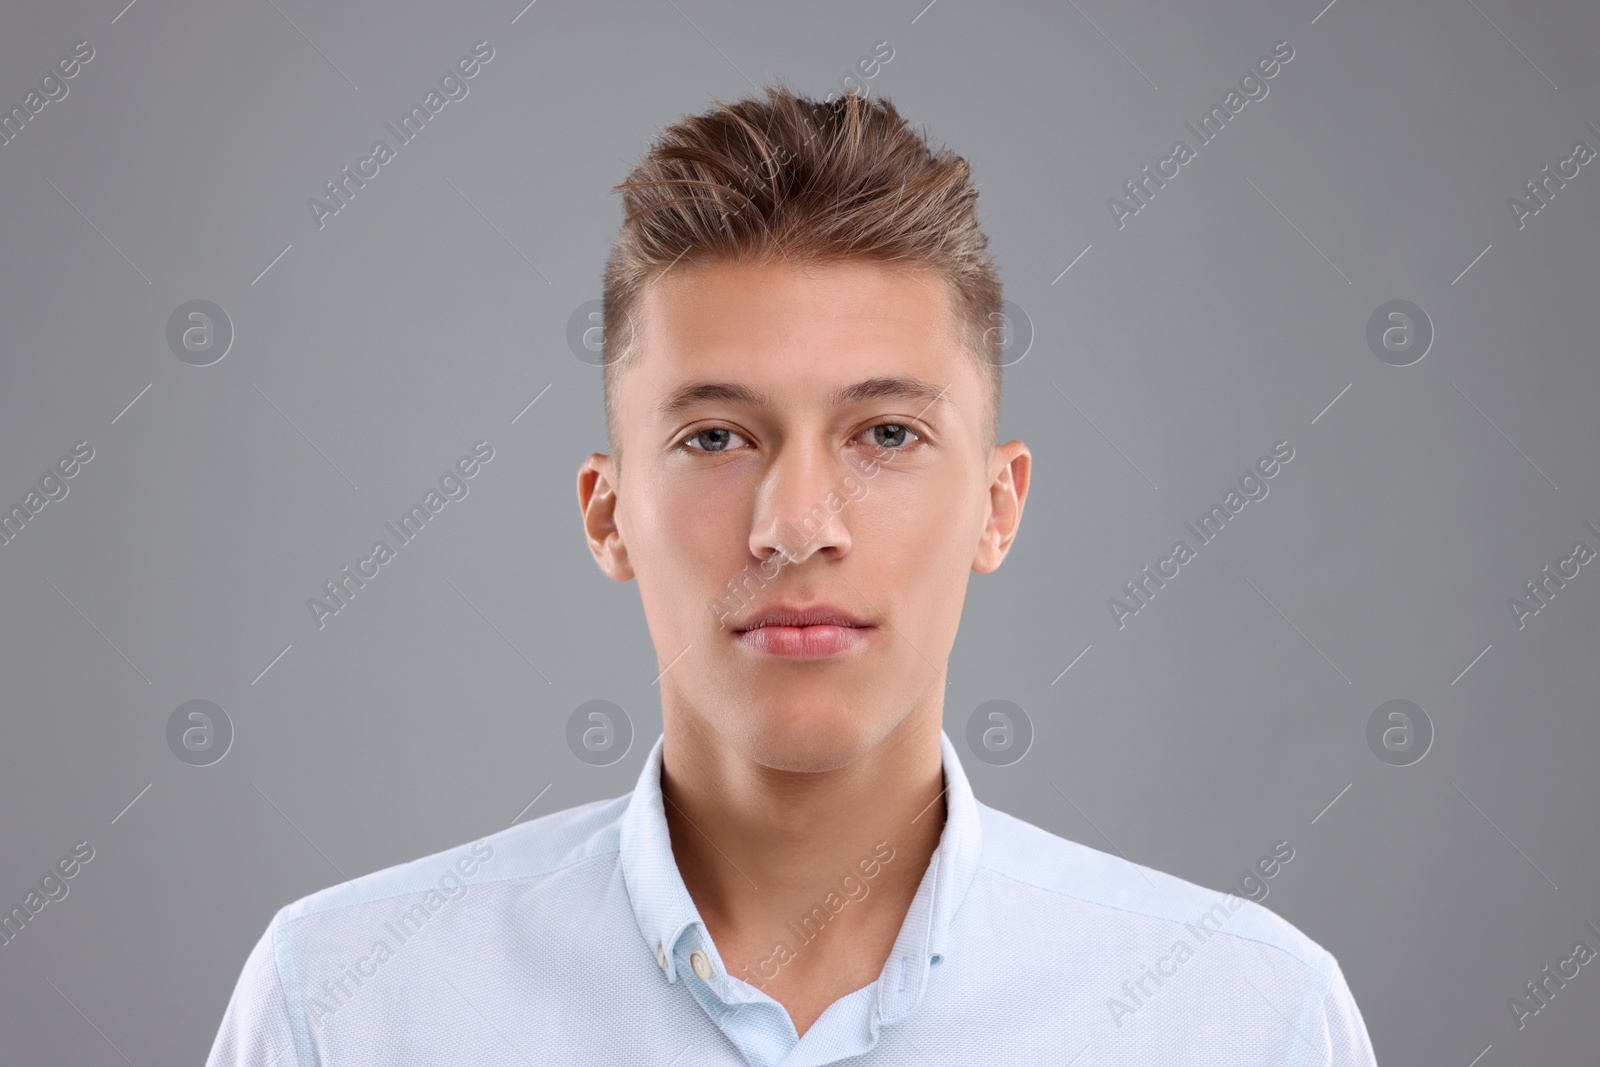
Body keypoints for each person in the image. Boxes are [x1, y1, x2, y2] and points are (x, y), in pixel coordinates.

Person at [207, 83, 1379, 1066]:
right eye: (716, 436)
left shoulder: (1244, 1018)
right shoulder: (348, 1006)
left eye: (885, 435)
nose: (797, 525)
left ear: (996, 502)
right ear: (608, 515)